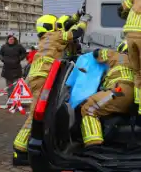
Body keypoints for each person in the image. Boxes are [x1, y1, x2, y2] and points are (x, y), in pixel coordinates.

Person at [13, 13, 92, 166]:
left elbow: (66, 25)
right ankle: (19, 149)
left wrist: (75, 16)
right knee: (35, 115)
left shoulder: (46, 38)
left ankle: (29, 145)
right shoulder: (54, 35)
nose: (58, 26)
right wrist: (83, 21)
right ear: (51, 26)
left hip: (39, 76)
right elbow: (76, 33)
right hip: (43, 76)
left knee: (40, 113)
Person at [81, 40, 134, 147]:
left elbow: (97, 53)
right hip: (135, 96)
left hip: (119, 92)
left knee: (89, 108)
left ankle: (94, 145)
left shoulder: (116, 55)